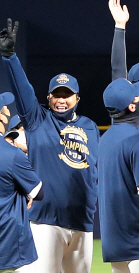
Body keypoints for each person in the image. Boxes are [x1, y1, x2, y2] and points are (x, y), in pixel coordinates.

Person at [1, 18, 100, 273]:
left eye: (67, 94)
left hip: (82, 223)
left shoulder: (89, 126)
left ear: (77, 98)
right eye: (57, 94)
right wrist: (10, 57)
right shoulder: (37, 121)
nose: (61, 100)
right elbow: (23, 91)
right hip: (45, 222)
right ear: (48, 98)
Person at [99, 78, 139, 273]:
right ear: (131, 106)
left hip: (114, 241)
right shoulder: (137, 140)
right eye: (137, 95)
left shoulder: (105, 139)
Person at [0, 91, 44, 273]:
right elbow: (38, 193)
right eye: (3, 108)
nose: (6, 111)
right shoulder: (11, 154)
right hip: (9, 239)